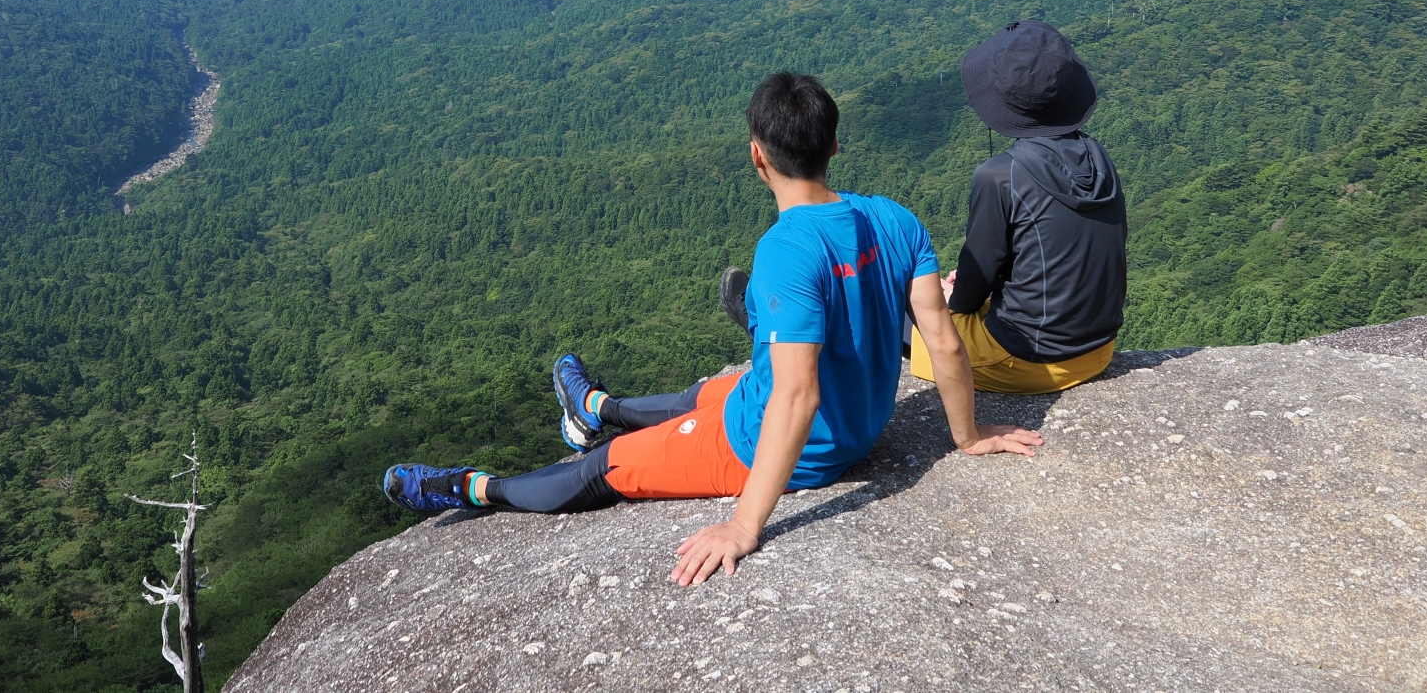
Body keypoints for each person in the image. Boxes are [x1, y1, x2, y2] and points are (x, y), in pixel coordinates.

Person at [381, 71, 1041, 586]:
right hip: (861, 422)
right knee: (713, 392)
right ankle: (596, 405)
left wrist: (744, 525)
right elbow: (945, 339)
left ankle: (475, 487)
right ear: (834, 145)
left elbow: (797, 396)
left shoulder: (786, 253)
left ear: (758, 158)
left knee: (606, 467)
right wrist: (968, 435)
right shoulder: (894, 219)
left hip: (782, 446)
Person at [907, 20, 1126, 395]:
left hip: (1026, 360)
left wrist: (945, 297)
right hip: (1099, 351)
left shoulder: (1000, 175)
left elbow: (970, 294)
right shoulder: (1099, 157)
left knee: (901, 298)